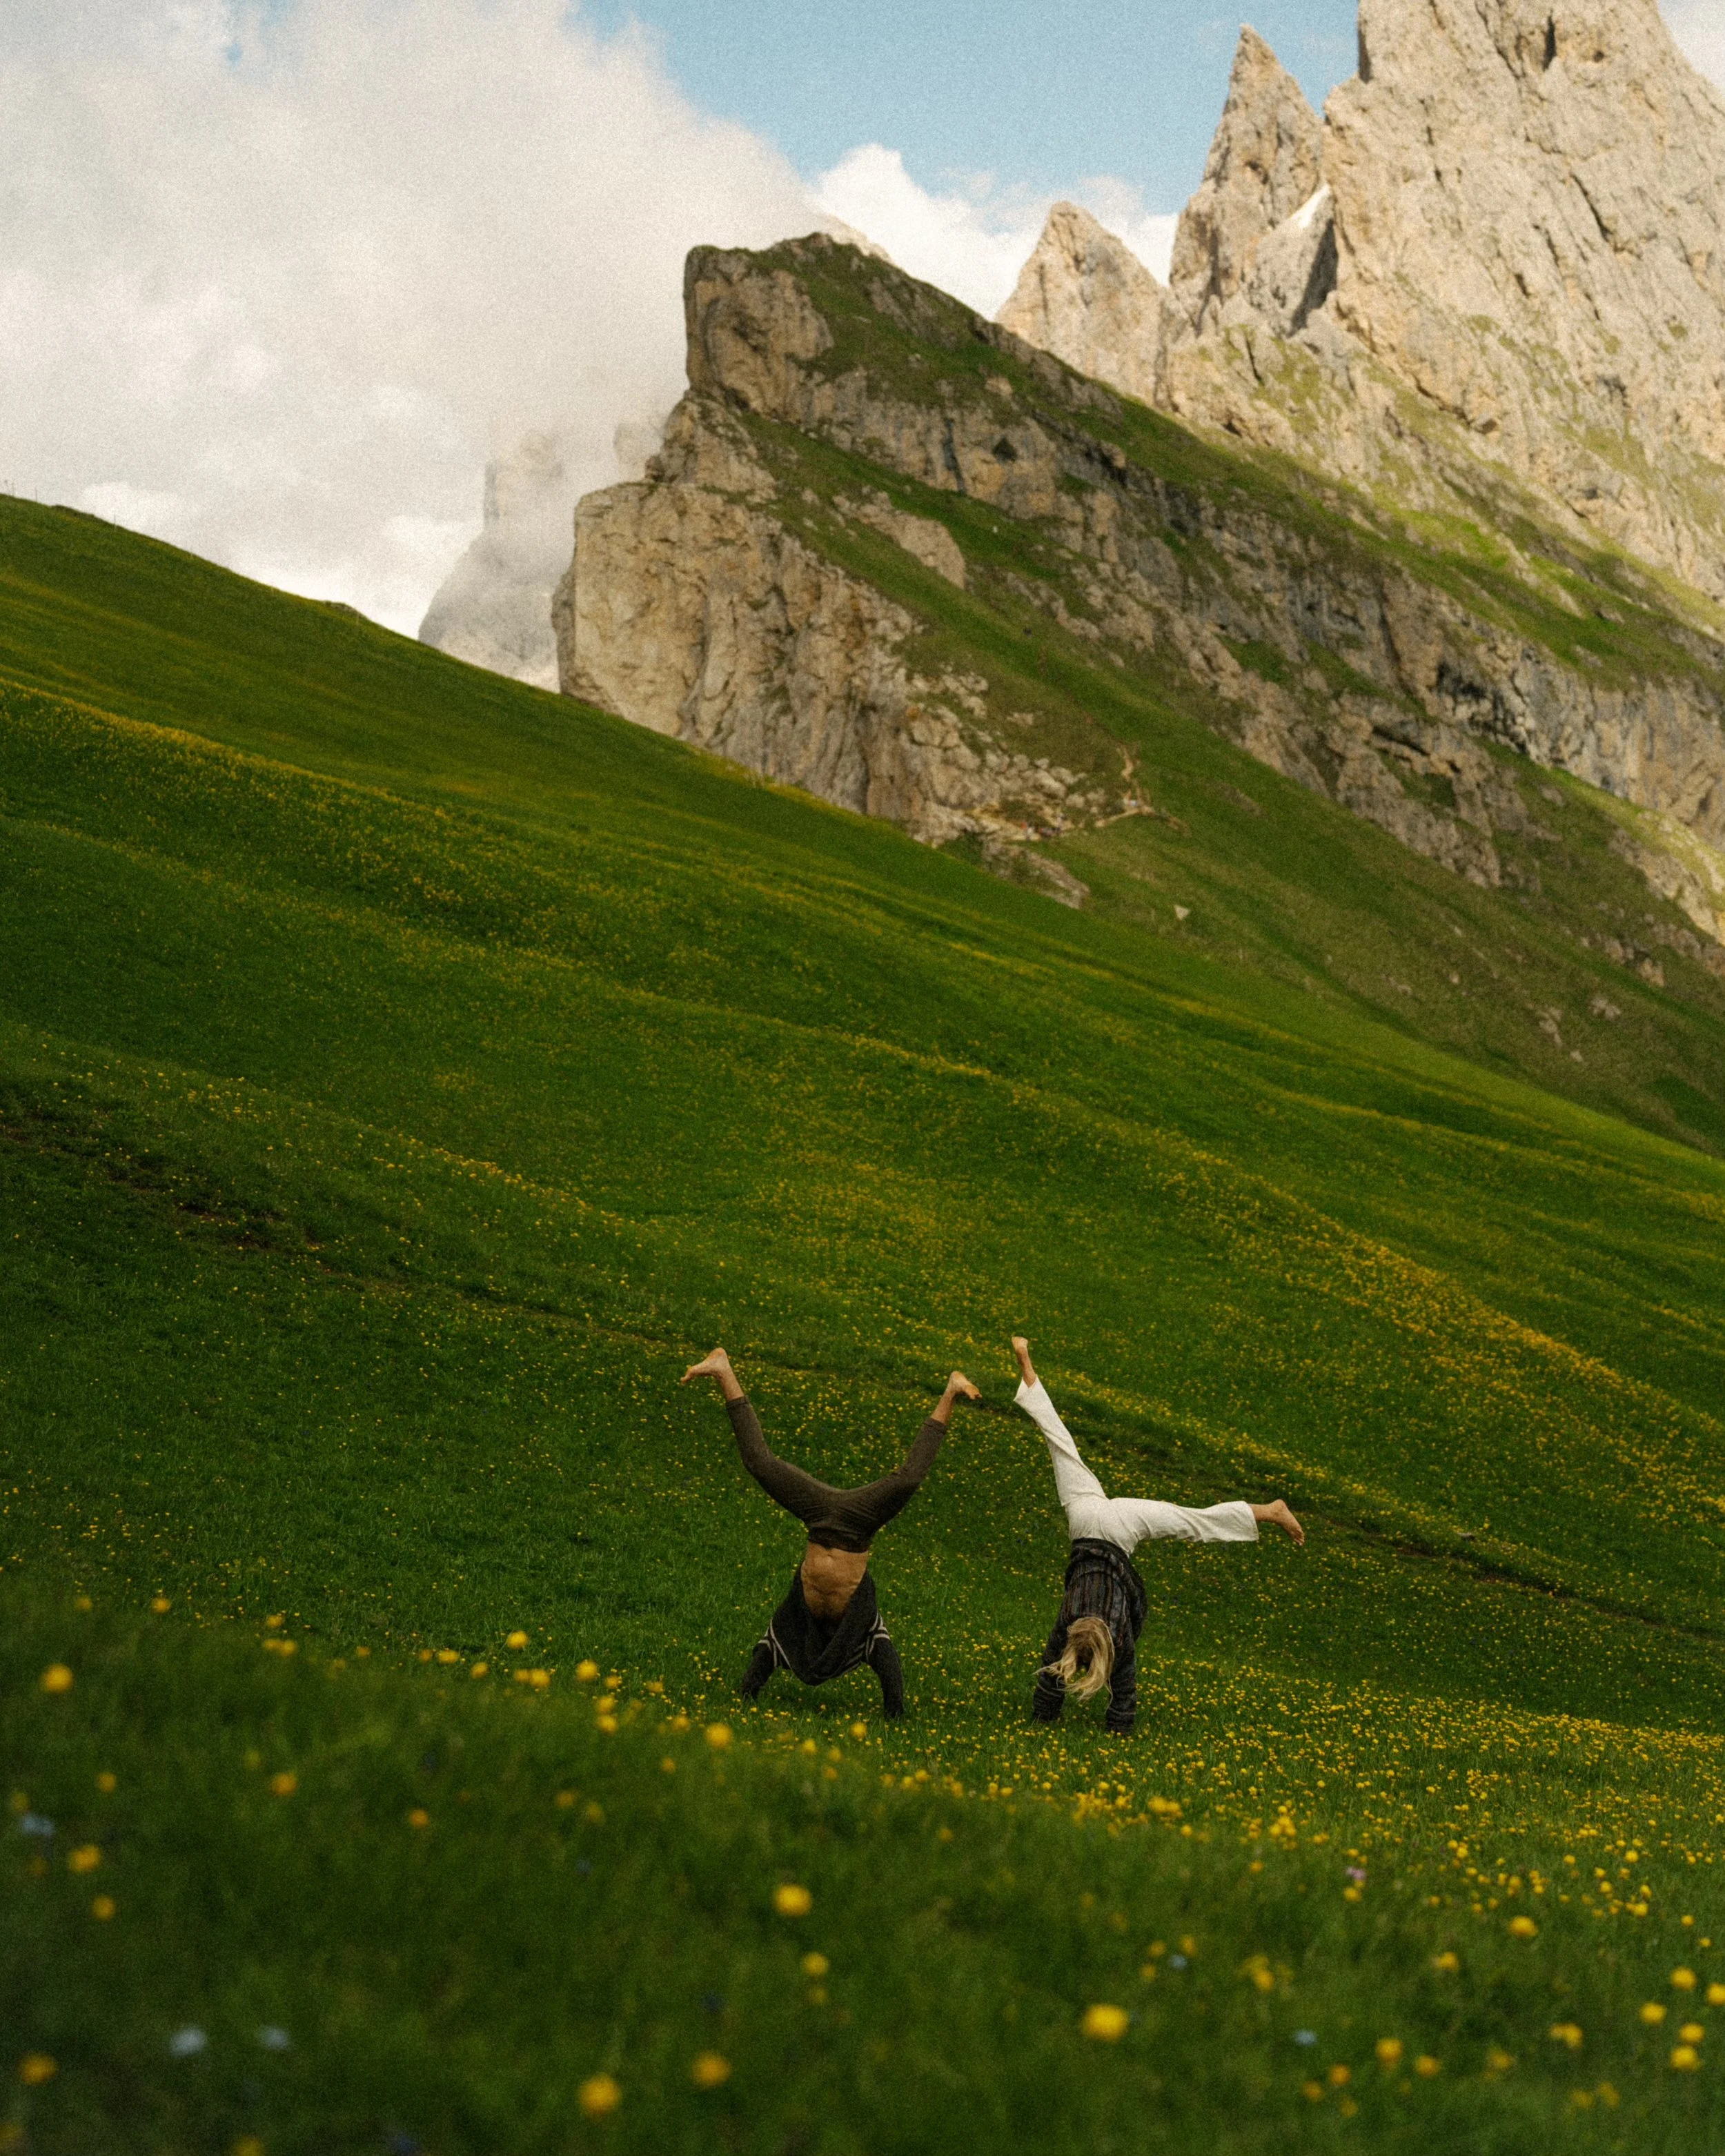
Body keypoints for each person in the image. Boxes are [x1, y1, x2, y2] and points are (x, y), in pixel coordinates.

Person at [1012, 1335, 1304, 1734]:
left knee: (1189, 1521)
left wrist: (1048, 1721)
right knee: (1065, 1448)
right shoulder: (1071, 1621)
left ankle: (1269, 1512)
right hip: (1088, 1521)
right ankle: (1026, 1367)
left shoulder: (1112, 1635)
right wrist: (1086, 1723)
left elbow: (1117, 1682)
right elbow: (1072, 1673)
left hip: (1116, 1530)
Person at [682, 1347, 978, 1717]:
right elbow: (766, 1658)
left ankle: (950, 1392)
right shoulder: (824, 1633)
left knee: (909, 1479)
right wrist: (746, 1696)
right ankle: (723, 1369)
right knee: (762, 1464)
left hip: (842, 1520)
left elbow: (888, 1668)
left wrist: (895, 1712)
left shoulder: (856, 1635)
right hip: (838, 1519)